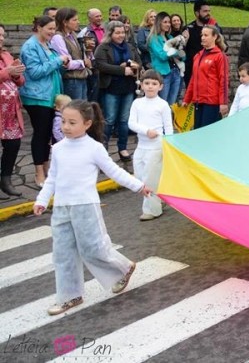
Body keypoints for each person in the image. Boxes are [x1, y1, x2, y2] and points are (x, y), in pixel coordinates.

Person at [33, 99, 150, 316]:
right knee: (63, 254)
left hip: (86, 206)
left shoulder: (94, 148)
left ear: (87, 124)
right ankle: (70, 296)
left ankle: (123, 268)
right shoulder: (58, 149)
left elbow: (114, 171)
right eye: (63, 122)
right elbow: (53, 178)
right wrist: (42, 200)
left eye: (72, 122)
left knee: (93, 249)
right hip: (61, 209)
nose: (65, 127)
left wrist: (138, 185)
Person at [21, 16, 70, 188]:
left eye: (54, 29)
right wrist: (58, 60)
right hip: (36, 98)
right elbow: (34, 72)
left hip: (51, 96)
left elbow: (51, 66)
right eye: (49, 29)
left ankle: (48, 168)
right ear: (38, 27)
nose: (52, 32)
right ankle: (38, 172)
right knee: (41, 135)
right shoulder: (30, 46)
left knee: (50, 134)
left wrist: (62, 62)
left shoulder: (47, 45)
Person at [128, 70, 172, 221]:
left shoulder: (163, 104)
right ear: (141, 85)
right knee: (140, 176)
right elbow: (131, 123)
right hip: (141, 145)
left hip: (156, 146)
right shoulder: (137, 103)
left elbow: (168, 127)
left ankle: (152, 210)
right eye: (147, 83)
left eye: (154, 84)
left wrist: (169, 144)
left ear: (160, 87)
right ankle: (159, 198)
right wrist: (146, 131)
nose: (150, 87)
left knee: (150, 179)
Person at [95, 20, 142, 161]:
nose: (121, 35)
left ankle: (123, 148)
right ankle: (102, 150)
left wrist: (134, 66)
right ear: (110, 33)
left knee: (124, 120)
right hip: (111, 88)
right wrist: (122, 70)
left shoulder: (130, 47)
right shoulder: (103, 48)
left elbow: (138, 62)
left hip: (128, 88)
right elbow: (101, 65)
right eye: (118, 33)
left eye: (123, 32)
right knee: (109, 120)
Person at [183, 26, 229, 129]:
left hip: (212, 101)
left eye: (206, 35)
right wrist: (187, 99)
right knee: (198, 130)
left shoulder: (220, 56)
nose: (203, 38)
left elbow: (224, 80)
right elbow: (193, 79)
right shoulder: (197, 56)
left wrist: (223, 102)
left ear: (215, 37)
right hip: (198, 101)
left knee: (209, 131)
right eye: (202, 35)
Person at [0, 23, 26, 198]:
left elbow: (21, 81)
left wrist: (16, 74)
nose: (1, 38)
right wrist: (7, 72)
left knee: (13, 144)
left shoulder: (6, 55)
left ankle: (5, 180)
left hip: (10, 112)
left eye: (2, 35)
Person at [52, 8, 91, 100]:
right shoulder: (58, 37)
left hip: (81, 77)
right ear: (65, 22)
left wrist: (88, 50)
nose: (78, 22)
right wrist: (83, 63)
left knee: (82, 110)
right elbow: (67, 63)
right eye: (75, 20)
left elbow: (79, 55)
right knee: (74, 109)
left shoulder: (73, 35)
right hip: (71, 80)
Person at [149, 12, 184, 105]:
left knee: (172, 104)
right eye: (165, 22)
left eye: (169, 22)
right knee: (162, 103)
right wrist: (175, 50)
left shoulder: (170, 37)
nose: (168, 24)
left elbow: (182, 56)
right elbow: (162, 56)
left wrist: (177, 51)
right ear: (159, 23)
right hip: (163, 74)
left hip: (176, 71)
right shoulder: (154, 38)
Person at [183, 1, 221, 88]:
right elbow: (181, 51)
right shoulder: (188, 29)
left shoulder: (214, 28)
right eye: (205, 11)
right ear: (197, 13)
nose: (208, 13)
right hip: (192, 69)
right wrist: (185, 40)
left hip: (210, 68)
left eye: (209, 11)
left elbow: (223, 46)